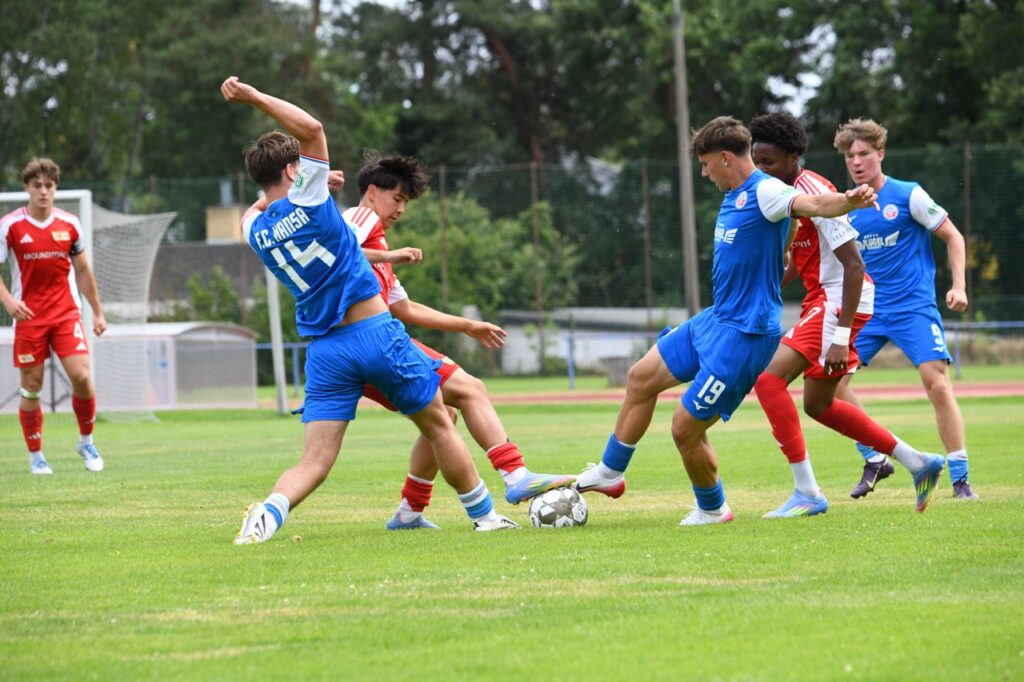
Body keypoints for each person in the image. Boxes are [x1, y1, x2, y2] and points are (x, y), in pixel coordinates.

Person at [220, 76, 517, 543]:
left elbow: (264, 199)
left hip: (324, 352)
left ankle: (267, 514)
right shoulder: (314, 202)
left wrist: (299, 176)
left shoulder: (253, 227)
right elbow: (312, 127)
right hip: (375, 333)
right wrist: (255, 98)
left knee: (314, 463)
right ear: (296, 172)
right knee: (441, 423)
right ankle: (485, 516)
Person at [573, 116, 884, 526]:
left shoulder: (768, 190)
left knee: (685, 427)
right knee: (640, 376)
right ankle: (611, 472)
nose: (702, 173)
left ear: (723, 158)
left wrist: (850, 200)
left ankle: (712, 508)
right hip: (716, 319)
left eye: (704, 164)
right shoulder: (734, 192)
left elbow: (815, 205)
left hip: (746, 335)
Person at [341, 151, 575, 530]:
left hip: (365, 346)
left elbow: (407, 308)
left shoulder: (377, 251)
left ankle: (409, 512)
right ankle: (515, 476)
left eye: (405, 202)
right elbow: (337, 253)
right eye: (397, 199)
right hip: (371, 343)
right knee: (470, 389)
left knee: (444, 414)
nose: (401, 209)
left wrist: (468, 325)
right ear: (371, 192)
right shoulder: (360, 218)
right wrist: (392, 254)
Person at [748, 112, 945, 517]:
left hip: (839, 300)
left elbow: (854, 267)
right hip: (825, 300)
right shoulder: (786, 196)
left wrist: (839, 336)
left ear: (793, 156)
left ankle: (807, 493)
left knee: (769, 382)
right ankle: (919, 462)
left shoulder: (817, 193)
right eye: (757, 162)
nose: (761, 170)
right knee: (819, 405)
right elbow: (799, 262)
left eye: (768, 163)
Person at [832, 118, 976, 500]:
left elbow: (953, 236)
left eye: (864, 154)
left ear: (880, 154)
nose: (857, 162)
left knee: (937, 384)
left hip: (913, 308)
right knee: (831, 383)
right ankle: (875, 456)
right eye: (850, 156)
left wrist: (958, 286)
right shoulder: (846, 208)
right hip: (868, 311)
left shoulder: (908, 195)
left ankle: (960, 480)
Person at [0, 158, 107, 475]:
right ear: (27, 188)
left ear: (55, 188)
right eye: (37, 186)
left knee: (83, 377)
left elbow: (84, 271)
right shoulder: (10, 226)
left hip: (65, 314)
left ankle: (86, 440)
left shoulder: (70, 224)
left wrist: (98, 313)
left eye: (49, 186)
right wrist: (8, 300)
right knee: (31, 387)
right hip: (29, 316)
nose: (43, 192)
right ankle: (36, 456)